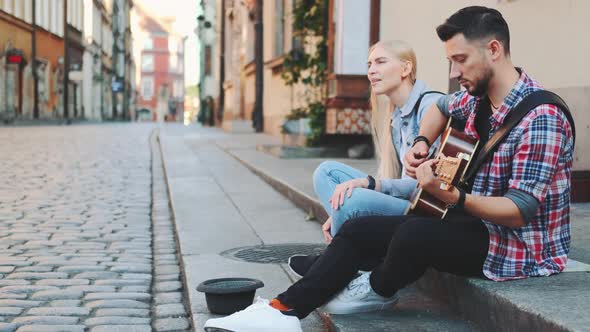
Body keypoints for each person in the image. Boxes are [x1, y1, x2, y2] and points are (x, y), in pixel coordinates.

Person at [204, 6, 574, 332]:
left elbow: (518, 211)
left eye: (460, 59)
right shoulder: (477, 97)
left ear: (493, 50)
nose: (453, 70)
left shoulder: (540, 116)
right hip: (474, 223)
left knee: (414, 235)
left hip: (519, 247)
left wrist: (452, 196)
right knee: (359, 228)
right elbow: (442, 108)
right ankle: (281, 312)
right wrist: (421, 144)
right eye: (450, 60)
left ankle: (375, 288)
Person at [288, 40, 443, 276]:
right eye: (369, 64)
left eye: (381, 62)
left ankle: (330, 264)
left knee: (354, 199)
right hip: (403, 200)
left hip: (421, 211)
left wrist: (370, 184)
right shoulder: (396, 115)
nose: (371, 70)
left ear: (405, 69)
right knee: (326, 172)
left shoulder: (430, 107)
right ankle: (346, 256)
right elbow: (395, 177)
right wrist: (339, 212)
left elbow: (424, 186)